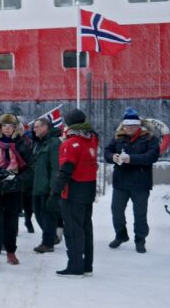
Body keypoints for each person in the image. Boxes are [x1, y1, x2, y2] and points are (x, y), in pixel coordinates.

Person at [0, 113, 33, 270]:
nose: (8, 129)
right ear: (0, 127)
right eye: (5, 126)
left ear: (15, 128)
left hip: (14, 189)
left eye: (11, 126)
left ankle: (10, 251)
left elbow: (30, 167)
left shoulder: (23, 143)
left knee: (11, 222)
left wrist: (17, 179)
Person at [50, 109, 99, 276]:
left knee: (72, 230)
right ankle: (87, 265)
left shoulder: (69, 144)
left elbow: (66, 170)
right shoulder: (92, 138)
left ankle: (75, 266)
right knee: (86, 228)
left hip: (73, 190)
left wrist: (55, 192)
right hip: (89, 188)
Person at [104, 108, 160, 253]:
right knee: (116, 211)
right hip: (120, 182)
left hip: (140, 183)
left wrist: (131, 159)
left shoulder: (150, 138)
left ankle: (140, 240)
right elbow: (107, 152)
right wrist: (113, 157)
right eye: (126, 126)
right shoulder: (118, 137)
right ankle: (121, 235)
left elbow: (152, 157)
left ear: (138, 126)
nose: (128, 128)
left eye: (132, 126)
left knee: (140, 214)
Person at [31, 117, 61, 253]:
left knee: (47, 215)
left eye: (37, 126)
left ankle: (48, 243)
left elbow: (56, 167)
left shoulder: (54, 143)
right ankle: (52, 236)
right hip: (37, 185)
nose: (34, 129)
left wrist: (53, 189)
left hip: (47, 187)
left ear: (45, 127)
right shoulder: (39, 143)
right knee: (38, 214)